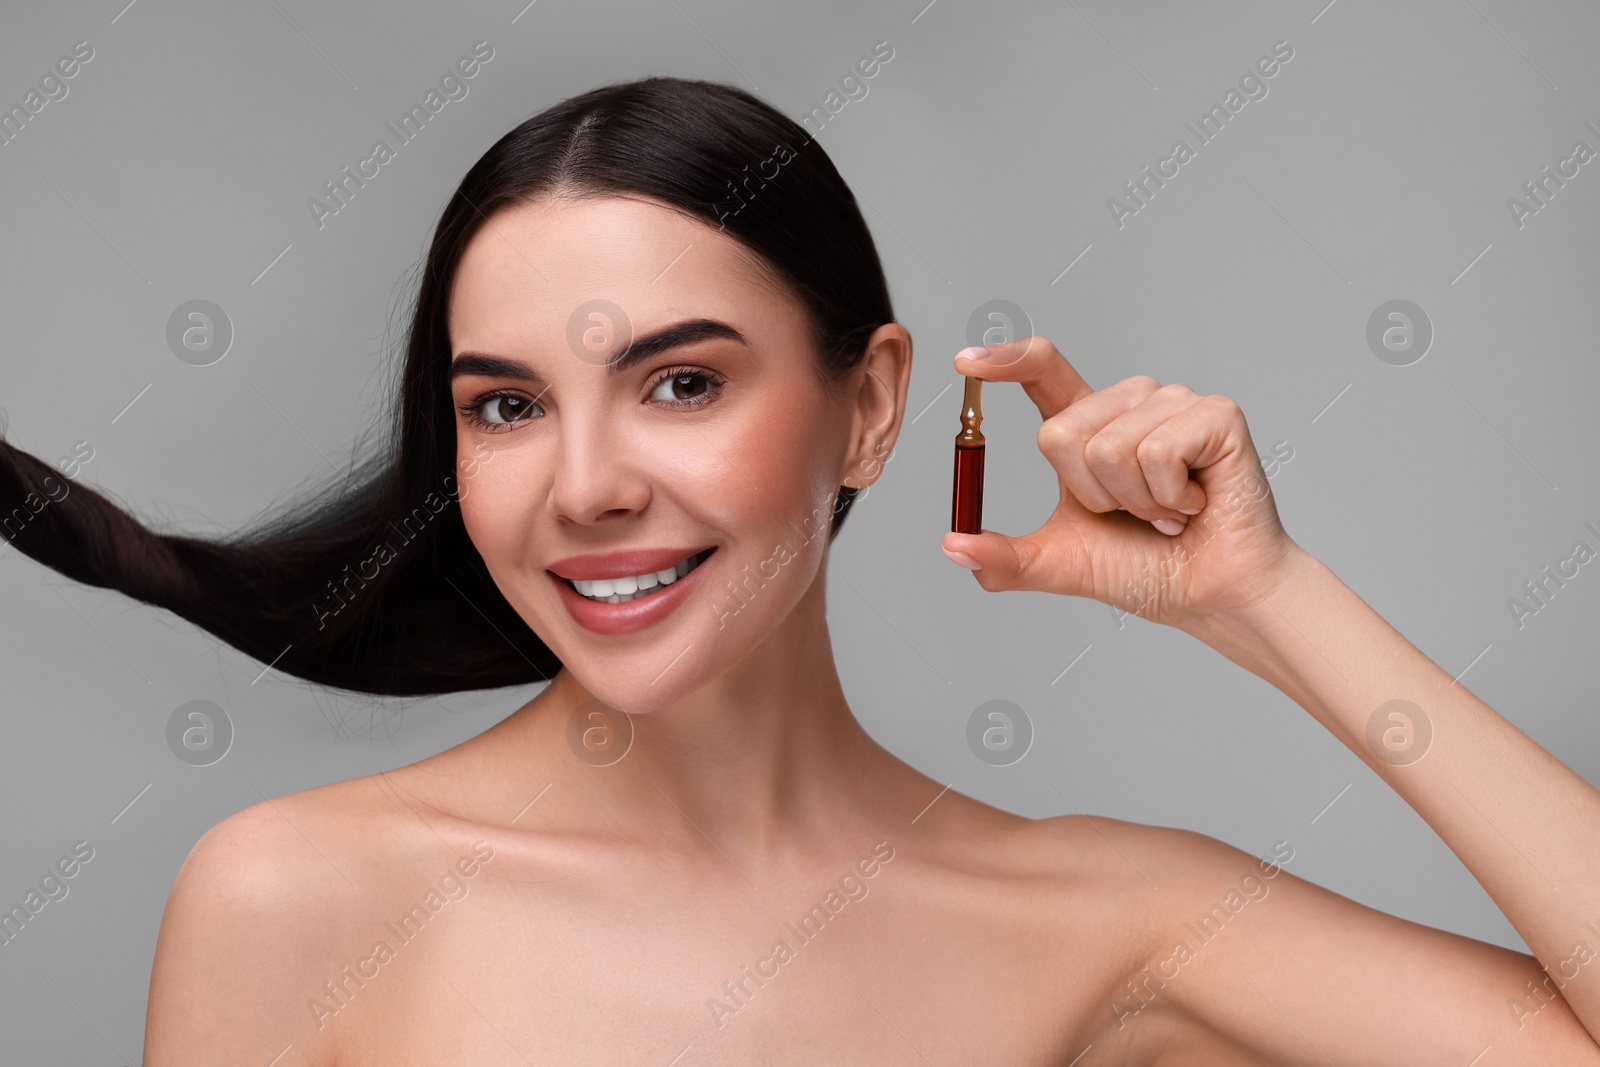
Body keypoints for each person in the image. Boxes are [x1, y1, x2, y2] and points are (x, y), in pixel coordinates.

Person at [6, 75, 1599, 1065]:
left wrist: (1269, 598)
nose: (585, 485)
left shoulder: (1113, 924)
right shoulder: (297, 899)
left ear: (874, 405)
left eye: (681, 382)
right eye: (506, 405)